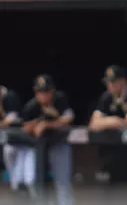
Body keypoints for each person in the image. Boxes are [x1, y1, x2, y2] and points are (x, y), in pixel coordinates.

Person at [88, 65, 127, 205]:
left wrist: (107, 122)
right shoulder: (107, 97)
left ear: (123, 81)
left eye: (113, 81)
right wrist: (115, 120)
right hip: (117, 145)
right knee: (116, 179)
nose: (109, 85)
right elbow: (93, 124)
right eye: (108, 82)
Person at [22, 74, 75, 205]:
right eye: (39, 92)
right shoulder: (32, 106)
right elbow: (26, 128)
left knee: (63, 185)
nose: (42, 95)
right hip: (39, 148)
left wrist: (48, 124)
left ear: (52, 91)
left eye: (46, 91)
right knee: (36, 183)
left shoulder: (60, 99)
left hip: (59, 144)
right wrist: (36, 124)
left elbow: (69, 118)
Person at [0, 85, 24, 193]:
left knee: (26, 175)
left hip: (21, 140)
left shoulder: (10, 96)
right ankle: (16, 186)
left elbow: (10, 121)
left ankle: (19, 186)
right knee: (8, 154)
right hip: (9, 139)